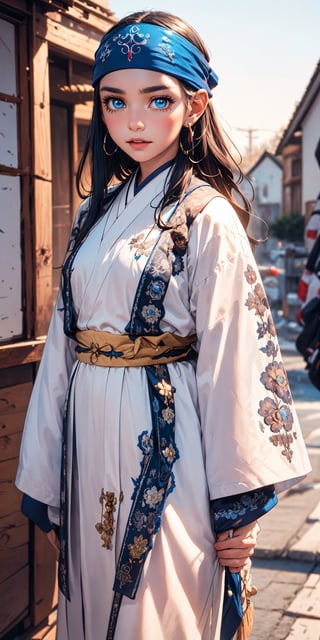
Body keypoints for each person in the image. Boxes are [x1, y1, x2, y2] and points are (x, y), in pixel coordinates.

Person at [16, 10, 311, 640]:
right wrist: (43, 470)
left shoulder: (209, 218)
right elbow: (62, 348)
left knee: (161, 603)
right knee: (88, 603)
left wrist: (239, 509)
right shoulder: (94, 217)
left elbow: (236, 359)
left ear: (197, 104)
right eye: (115, 101)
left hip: (169, 448)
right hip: (84, 437)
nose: (135, 120)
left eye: (157, 98)